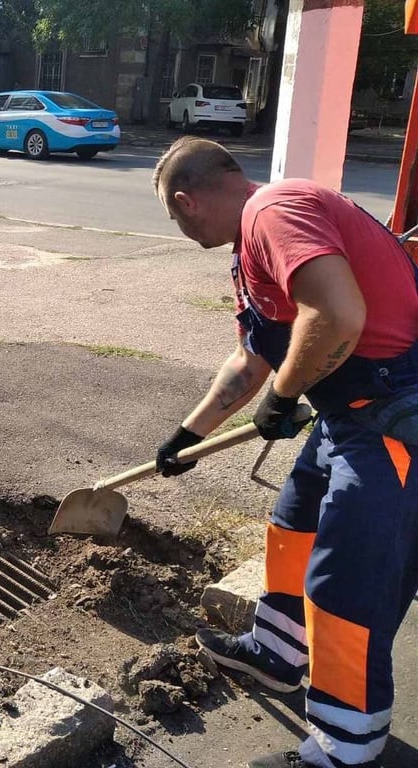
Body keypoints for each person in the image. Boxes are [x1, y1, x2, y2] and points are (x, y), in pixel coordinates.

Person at [152, 135, 418, 768]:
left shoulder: (276, 211)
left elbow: (337, 313)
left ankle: (344, 746)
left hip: (393, 424)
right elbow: (254, 358)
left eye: (174, 219)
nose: (184, 232)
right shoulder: (250, 250)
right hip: (345, 417)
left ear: (187, 203)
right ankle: (277, 652)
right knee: (292, 526)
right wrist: (191, 436)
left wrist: (284, 393)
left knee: (345, 587)